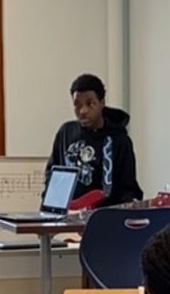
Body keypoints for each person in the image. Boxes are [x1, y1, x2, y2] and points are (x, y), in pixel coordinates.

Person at [45, 73, 142, 207]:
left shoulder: (119, 140)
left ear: (102, 103)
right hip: (67, 218)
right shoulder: (66, 132)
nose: (83, 111)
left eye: (90, 104)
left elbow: (127, 187)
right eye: (77, 105)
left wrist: (132, 204)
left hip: (104, 220)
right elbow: (52, 174)